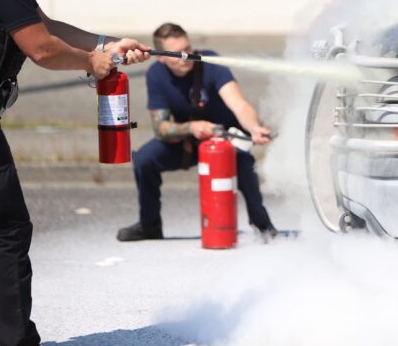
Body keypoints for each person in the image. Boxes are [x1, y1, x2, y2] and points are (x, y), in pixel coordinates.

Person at [0, 0, 150, 346]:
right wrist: (95, 62)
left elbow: (41, 24)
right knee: (6, 229)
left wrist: (106, 43)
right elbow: (42, 48)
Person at [116, 22, 278, 242]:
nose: (185, 57)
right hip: (189, 141)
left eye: (188, 49)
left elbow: (239, 104)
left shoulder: (211, 62)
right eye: (176, 54)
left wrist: (255, 128)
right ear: (160, 57)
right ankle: (149, 225)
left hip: (225, 140)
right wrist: (192, 128)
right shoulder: (156, 75)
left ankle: (263, 227)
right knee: (144, 159)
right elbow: (161, 128)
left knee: (243, 165)